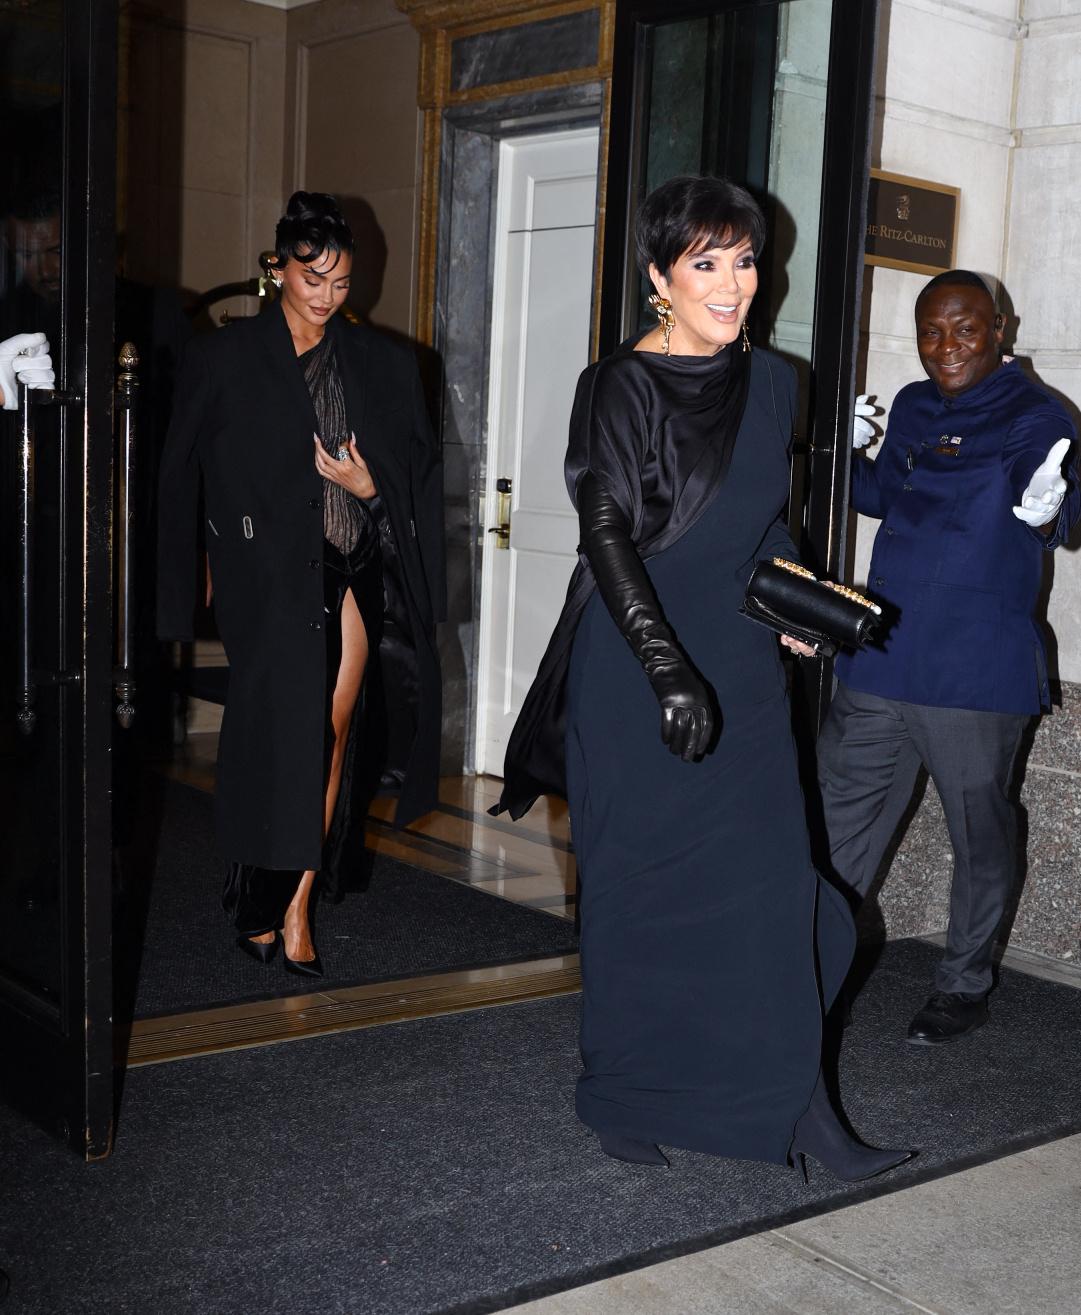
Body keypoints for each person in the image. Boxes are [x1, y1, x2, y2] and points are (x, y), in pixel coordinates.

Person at [494, 175, 911, 1179]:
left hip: (742, 665)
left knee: (779, 899)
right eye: (704, 263)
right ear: (658, 278)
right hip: (636, 673)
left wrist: (800, 615)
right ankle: (622, 1091)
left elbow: (766, 526)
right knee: (639, 898)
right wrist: (666, 667)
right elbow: (605, 535)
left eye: (744, 261)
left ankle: (806, 1116)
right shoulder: (618, 387)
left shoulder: (776, 382)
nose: (731, 284)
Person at [156, 192, 445, 976]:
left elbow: (413, 480)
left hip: (348, 563)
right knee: (274, 735)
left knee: (332, 729)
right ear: (277, 267)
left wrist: (367, 484)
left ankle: (294, 903)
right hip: (267, 575)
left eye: (341, 281)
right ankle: (256, 885)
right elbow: (184, 469)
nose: (325, 295)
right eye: (310, 276)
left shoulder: (382, 364)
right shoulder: (223, 357)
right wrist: (197, 569)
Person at [818, 269, 1079, 1044]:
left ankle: (962, 986)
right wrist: (850, 452)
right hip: (880, 657)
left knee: (979, 833)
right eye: (931, 330)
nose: (945, 346)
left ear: (1000, 325)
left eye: (964, 328)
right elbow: (884, 498)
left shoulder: (1034, 411)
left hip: (971, 671)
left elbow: (1051, 489)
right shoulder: (911, 402)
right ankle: (804, 964)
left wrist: (1049, 507)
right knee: (837, 826)